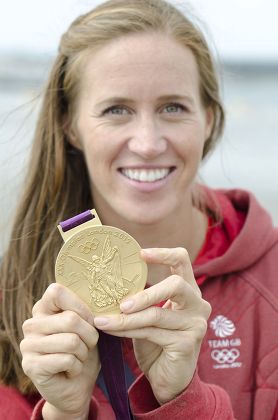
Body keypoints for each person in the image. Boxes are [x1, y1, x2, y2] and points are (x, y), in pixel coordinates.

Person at [0, 0, 277, 418]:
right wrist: (64, 413)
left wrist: (182, 399)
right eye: (116, 110)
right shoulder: (13, 294)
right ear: (70, 125)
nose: (147, 143)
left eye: (172, 107)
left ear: (209, 120)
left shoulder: (270, 284)